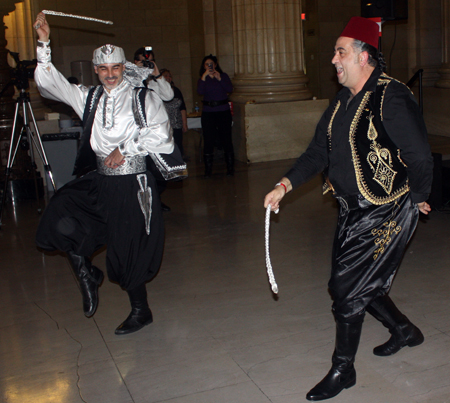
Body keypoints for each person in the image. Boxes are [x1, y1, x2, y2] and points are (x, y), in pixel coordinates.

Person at [264, 17, 433, 401]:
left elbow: (420, 155)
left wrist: (419, 195)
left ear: (364, 55)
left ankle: (344, 369)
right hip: (351, 209)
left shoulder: (392, 96)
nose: (333, 59)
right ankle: (405, 330)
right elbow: (317, 152)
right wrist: (285, 184)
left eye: (340, 52)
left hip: (387, 209)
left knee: (345, 289)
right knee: (357, 283)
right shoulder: (342, 100)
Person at [33, 12, 186, 335]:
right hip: (101, 179)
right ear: (96, 70)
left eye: (115, 68)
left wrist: (125, 149)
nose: (109, 74)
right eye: (102, 69)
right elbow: (50, 83)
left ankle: (140, 311)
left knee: (126, 247)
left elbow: (161, 135)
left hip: (134, 183)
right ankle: (87, 272)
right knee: (62, 208)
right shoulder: (89, 97)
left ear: (123, 68)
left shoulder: (143, 97)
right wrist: (44, 43)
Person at [134, 47, 174, 211]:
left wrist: (157, 74)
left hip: (156, 137)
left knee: (161, 174)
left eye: (148, 61)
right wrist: (137, 72)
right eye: (141, 61)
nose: (145, 64)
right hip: (137, 137)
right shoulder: (129, 82)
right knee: (142, 174)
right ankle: (147, 203)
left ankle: (155, 199)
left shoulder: (154, 84)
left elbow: (169, 96)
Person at [197, 55, 234, 177]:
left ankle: (230, 168)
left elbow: (229, 88)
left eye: (211, 64)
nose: (209, 66)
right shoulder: (203, 79)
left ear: (216, 65)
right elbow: (200, 91)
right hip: (208, 112)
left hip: (222, 111)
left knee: (226, 138)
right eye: (207, 64)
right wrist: (204, 76)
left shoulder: (222, 76)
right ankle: (208, 170)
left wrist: (219, 79)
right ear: (204, 66)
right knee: (208, 140)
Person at [160, 68, 188, 158]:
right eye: (165, 76)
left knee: (178, 144)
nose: (168, 78)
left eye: (169, 76)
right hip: (165, 125)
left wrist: (184, 124)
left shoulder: (176, 91)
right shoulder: (157, 91)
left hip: (177, 124)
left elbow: (182, 108)